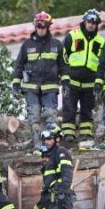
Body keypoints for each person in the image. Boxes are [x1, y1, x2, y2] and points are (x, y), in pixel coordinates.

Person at [12, 11, 63, 144]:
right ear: (35, 25)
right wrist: (16, 84)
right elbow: (19, 65)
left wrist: (66, 84)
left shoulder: (56, 45)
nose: (40, 27)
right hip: (31, 88)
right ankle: (37, 145)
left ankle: (51, 145)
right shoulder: (27, 45)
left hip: (50, 87)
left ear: (48, 26)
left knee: (51, 116)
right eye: (38, 25)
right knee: (33, 117)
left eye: (43, 25)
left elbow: (64, 66)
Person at [60, 9, 105, 143]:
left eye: (94, 22)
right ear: (84, 22)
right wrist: (64, 76)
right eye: (89, 22)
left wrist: (99, 81)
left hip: (90, 81)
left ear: (97, 24)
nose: (91, 24)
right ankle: (68, 134)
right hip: (72, 80)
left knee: (87, 109)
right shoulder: (73, 36)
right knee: (69, 108)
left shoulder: (100, 41)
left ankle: (85, 133)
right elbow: (62, 57)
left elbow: (102, 63)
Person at [20, 124, 74, 209]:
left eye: (49, 139)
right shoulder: (50, 159)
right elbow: (47, 190)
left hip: (59, 200)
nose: (46, 142)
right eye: (45, 140)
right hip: (49, 200)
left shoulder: (61, 152)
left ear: (57, 138)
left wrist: (61, 194)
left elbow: (66, 175)